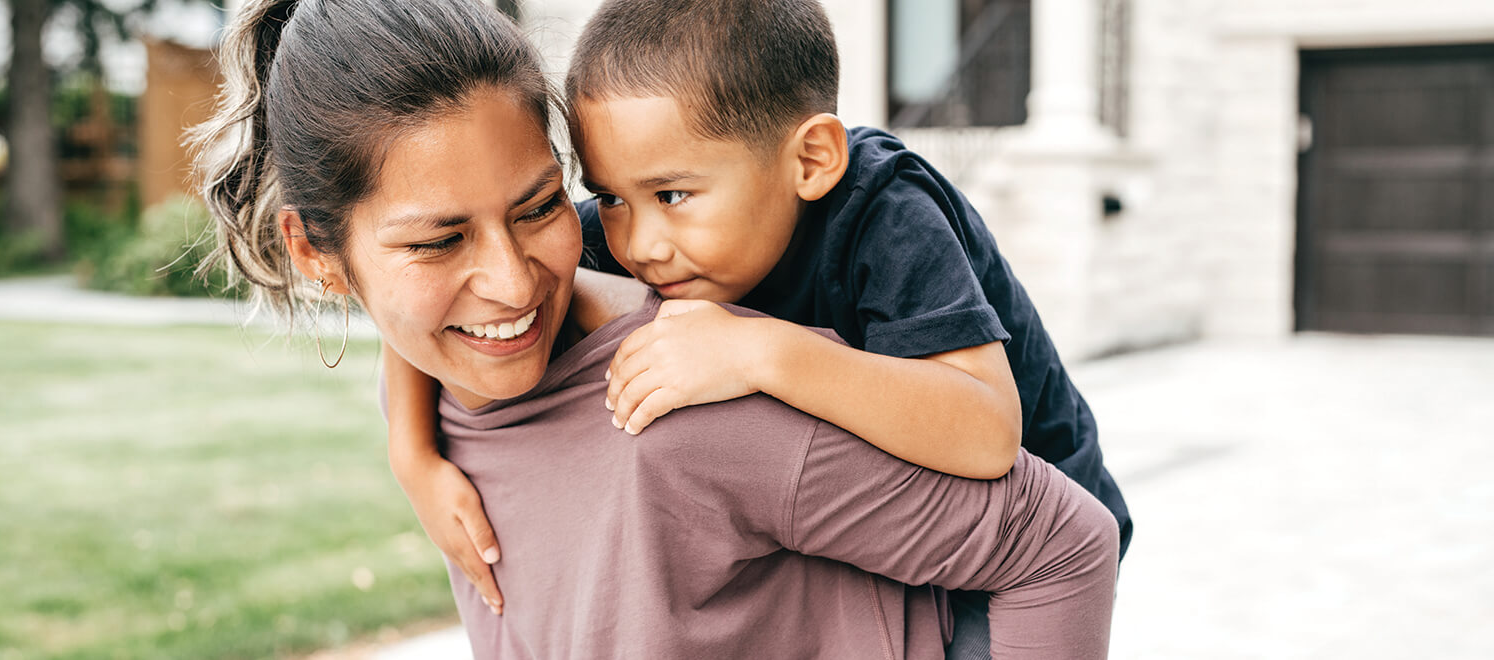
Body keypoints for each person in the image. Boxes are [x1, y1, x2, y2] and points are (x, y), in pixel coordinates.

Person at [191, 0, 1118, 657]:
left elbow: (994, 444)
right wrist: (411, 452)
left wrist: (763, 348)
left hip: (1018, 495)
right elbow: (438, 335)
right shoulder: (630, 233)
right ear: (319, 254)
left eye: (538, 209)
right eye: (437, 241)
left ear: (810, 158)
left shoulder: (883, 214)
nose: (518, 278)